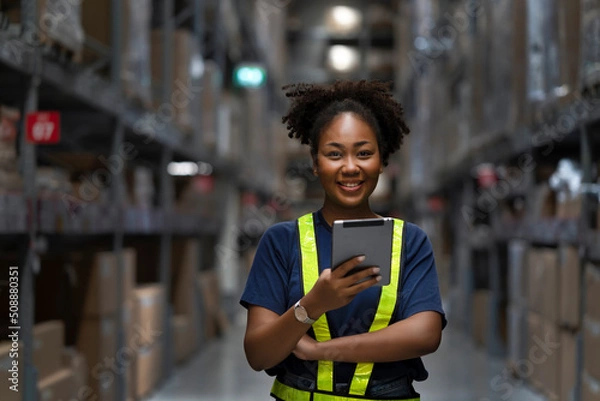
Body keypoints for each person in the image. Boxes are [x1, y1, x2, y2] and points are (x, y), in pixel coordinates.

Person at [240, 80, 446, 401]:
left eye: (364, 153)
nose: (350, 167)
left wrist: (318, 351)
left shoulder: (409, 241)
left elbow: (425, 334)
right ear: (315, 163)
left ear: (383, 160)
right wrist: (313, 305)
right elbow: (259, 354)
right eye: (334, 154)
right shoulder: (281, 241)